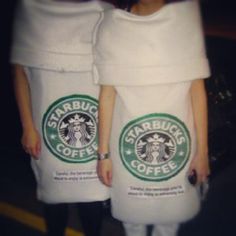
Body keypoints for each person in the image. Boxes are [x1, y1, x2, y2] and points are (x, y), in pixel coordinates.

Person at [94, 0, 210, 235]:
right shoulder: (112, 26)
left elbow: (197, 92)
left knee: (169, 219)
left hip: (179, 145)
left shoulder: (185, 21)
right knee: (132, 218)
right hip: (126, 146)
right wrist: (103, 154)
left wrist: (203, 153)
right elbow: (107, 94)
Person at [11, 0, 113, 235]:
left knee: (92, 198)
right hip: (46, 126)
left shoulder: (104, 12)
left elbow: (115, 78)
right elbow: (19, 71)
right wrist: (27, 127)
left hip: (97, 127)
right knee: (54, 197)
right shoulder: (30, 9)